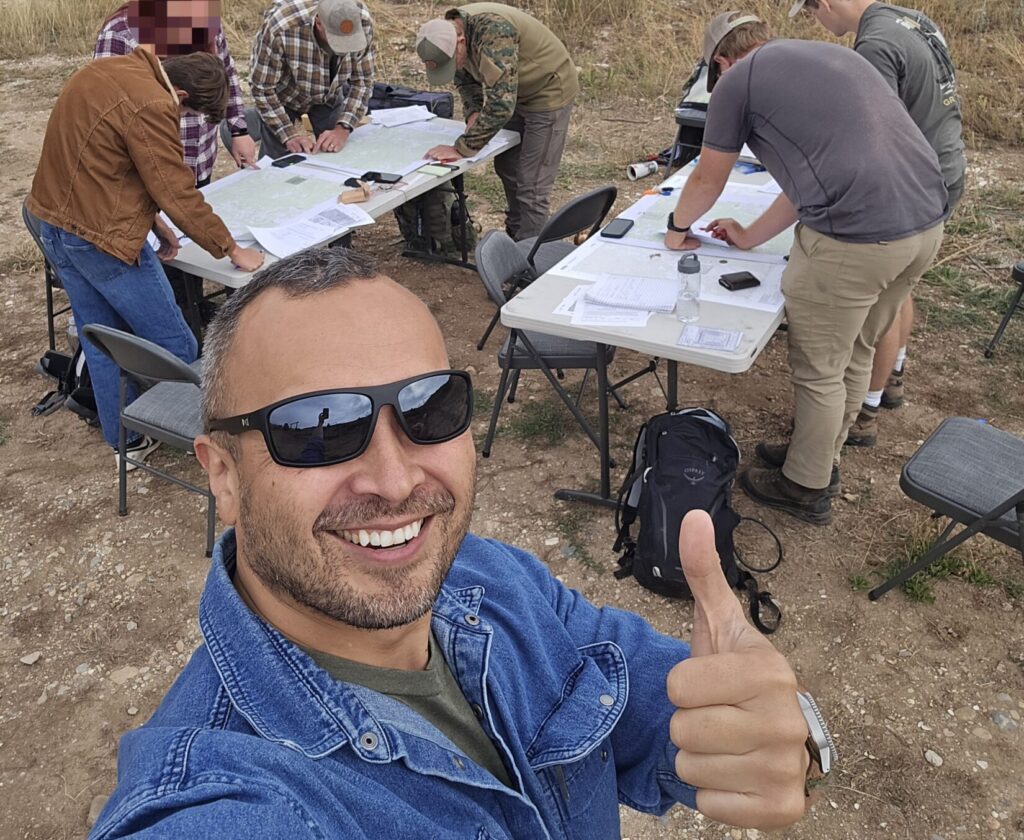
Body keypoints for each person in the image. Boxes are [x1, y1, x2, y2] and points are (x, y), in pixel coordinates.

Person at [89, 247, 830, 838]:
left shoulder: (486, 577)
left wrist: (780, 732)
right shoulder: (225, 799)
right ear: (222, 474)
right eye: (316, 430)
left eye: (429, 408)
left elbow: (671, 699)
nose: (392, 476)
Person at [664, 12, 947, 525]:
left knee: (819, 369)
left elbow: (707, 178)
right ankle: (821, 455)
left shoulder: (737, 82)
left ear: (721, 63)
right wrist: (751, 236)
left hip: (856, 238)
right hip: (924, 227)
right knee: (857, 348)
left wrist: (677, 223)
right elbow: (814, 175)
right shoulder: (826, 55)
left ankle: (804, 486)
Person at [26, 49, 264, 469]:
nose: (184, 117)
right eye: (189, 110)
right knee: (177, 343)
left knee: (100, 337)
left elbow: (104, 164)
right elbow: (175, 189)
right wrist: (230, 247)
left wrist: (151, 221)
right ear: (183, 91)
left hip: (56, 223)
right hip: (101, 238)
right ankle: (203, 439)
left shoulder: (108, 69)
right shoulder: (153, 104)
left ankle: (127, 441)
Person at [790, 0, 966, 448]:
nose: (818, 23)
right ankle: (892, 378)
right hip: (943, 168)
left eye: (812, 14)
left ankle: (865, 408)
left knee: (876, 298)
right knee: (901, 287)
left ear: (826, 4)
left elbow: (871, 133)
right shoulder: (908, 19)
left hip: (913, 185)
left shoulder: (874, 46)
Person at [95, 0, 259, 333]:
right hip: (147, 169)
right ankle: (172, 332)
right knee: (166, 257)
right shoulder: (121, 32)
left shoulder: (202, 18)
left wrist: (238, 129)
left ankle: (193, 313)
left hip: (200, 156)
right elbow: (107, 105)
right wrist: (230, 248)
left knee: (190, 249)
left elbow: (225, 74)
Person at [415, 5, 579, 241]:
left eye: (452, 61)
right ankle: (517, 234)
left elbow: (501, 106)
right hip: (511, 90)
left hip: (547, 90)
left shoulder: (494, 32)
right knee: (508, 165)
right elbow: (467, 81)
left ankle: (530, 259)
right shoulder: (445, 36)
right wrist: (473, 112)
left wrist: (460, 147)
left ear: (461, 41)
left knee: (531, 185)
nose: (453, 67)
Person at [250, 0, 375, 159]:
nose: (344, 48)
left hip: (330, 95)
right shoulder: (281, 28)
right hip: (283, 97)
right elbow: (262, 89)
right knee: (278, 162)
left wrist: (343, 128)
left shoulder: (361, 21)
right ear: (318, 23)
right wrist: (288, 135)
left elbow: (363, 82)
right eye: (337, 40)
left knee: (336, 153)